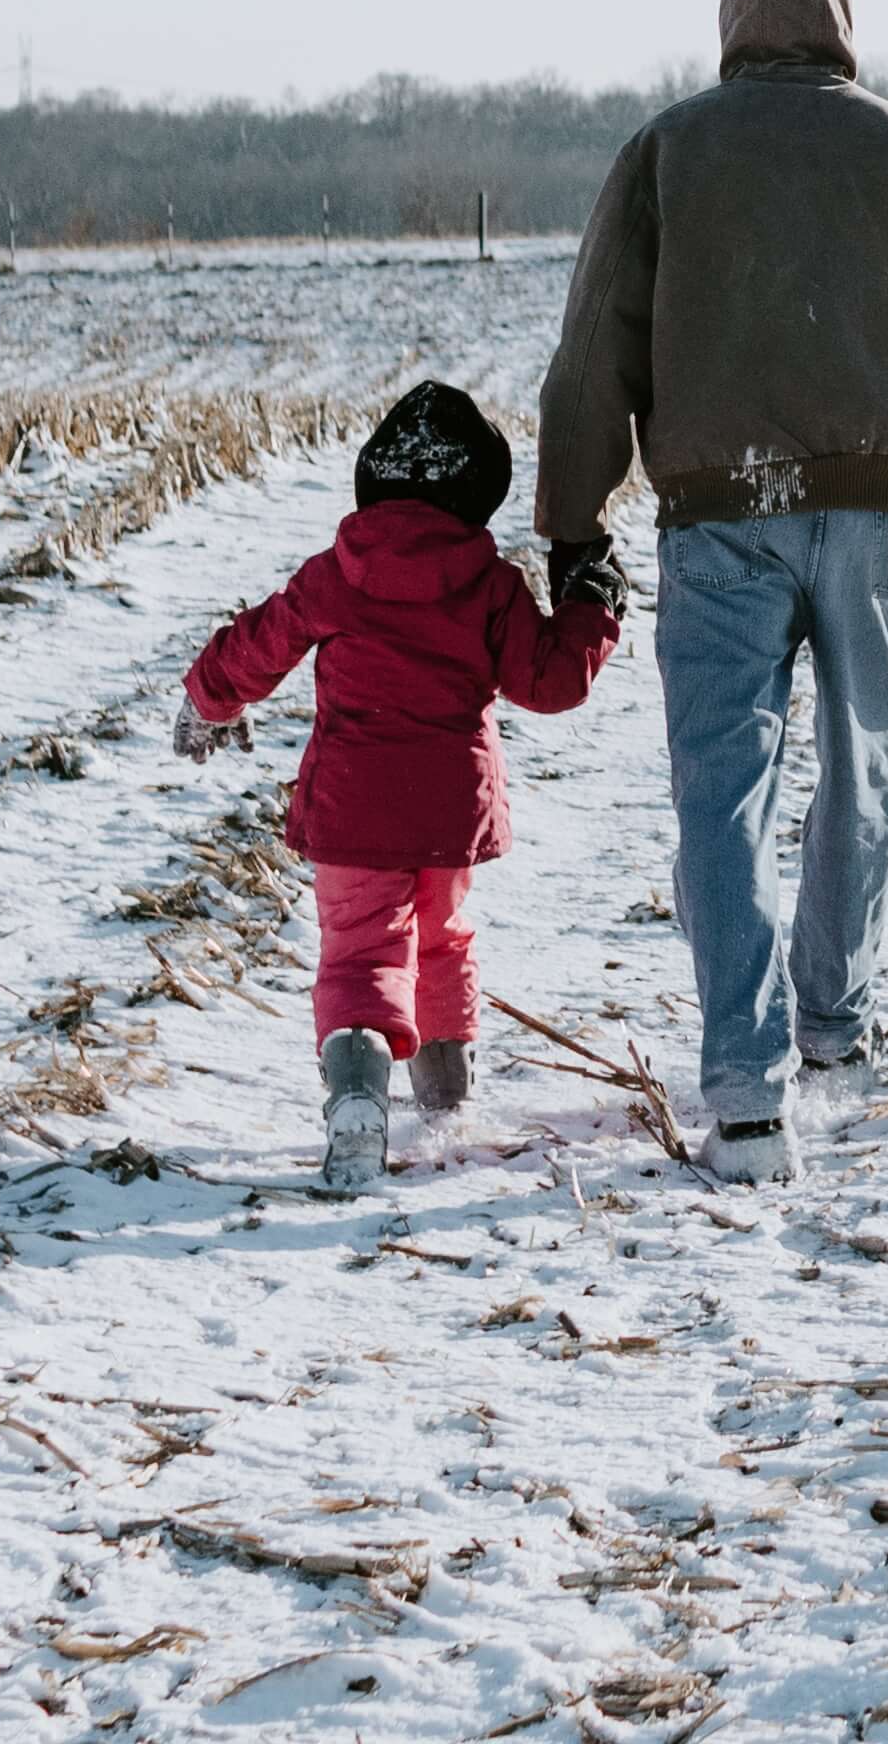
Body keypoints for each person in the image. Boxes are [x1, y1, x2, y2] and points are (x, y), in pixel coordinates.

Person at [540, 0, 888, 1187]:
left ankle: (745, 1093)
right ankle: (833, 1030)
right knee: (861, 765)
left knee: (723, 790)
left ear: (730, 17)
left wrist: (572, 523)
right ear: (841, 16)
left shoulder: (668, 149)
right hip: (878, 518)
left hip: (718, 514)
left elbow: (596, 342)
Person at [178, 379, 622, 1193]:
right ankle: (448, 1100)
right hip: (448, 812)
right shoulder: (489, 584)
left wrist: (210, 699)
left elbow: (260, 644)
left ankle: (357, 1103)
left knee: (361, 949)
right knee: (441, 937)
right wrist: (592, 602)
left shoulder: (336, 575)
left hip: (353, 808)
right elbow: (551, 680)